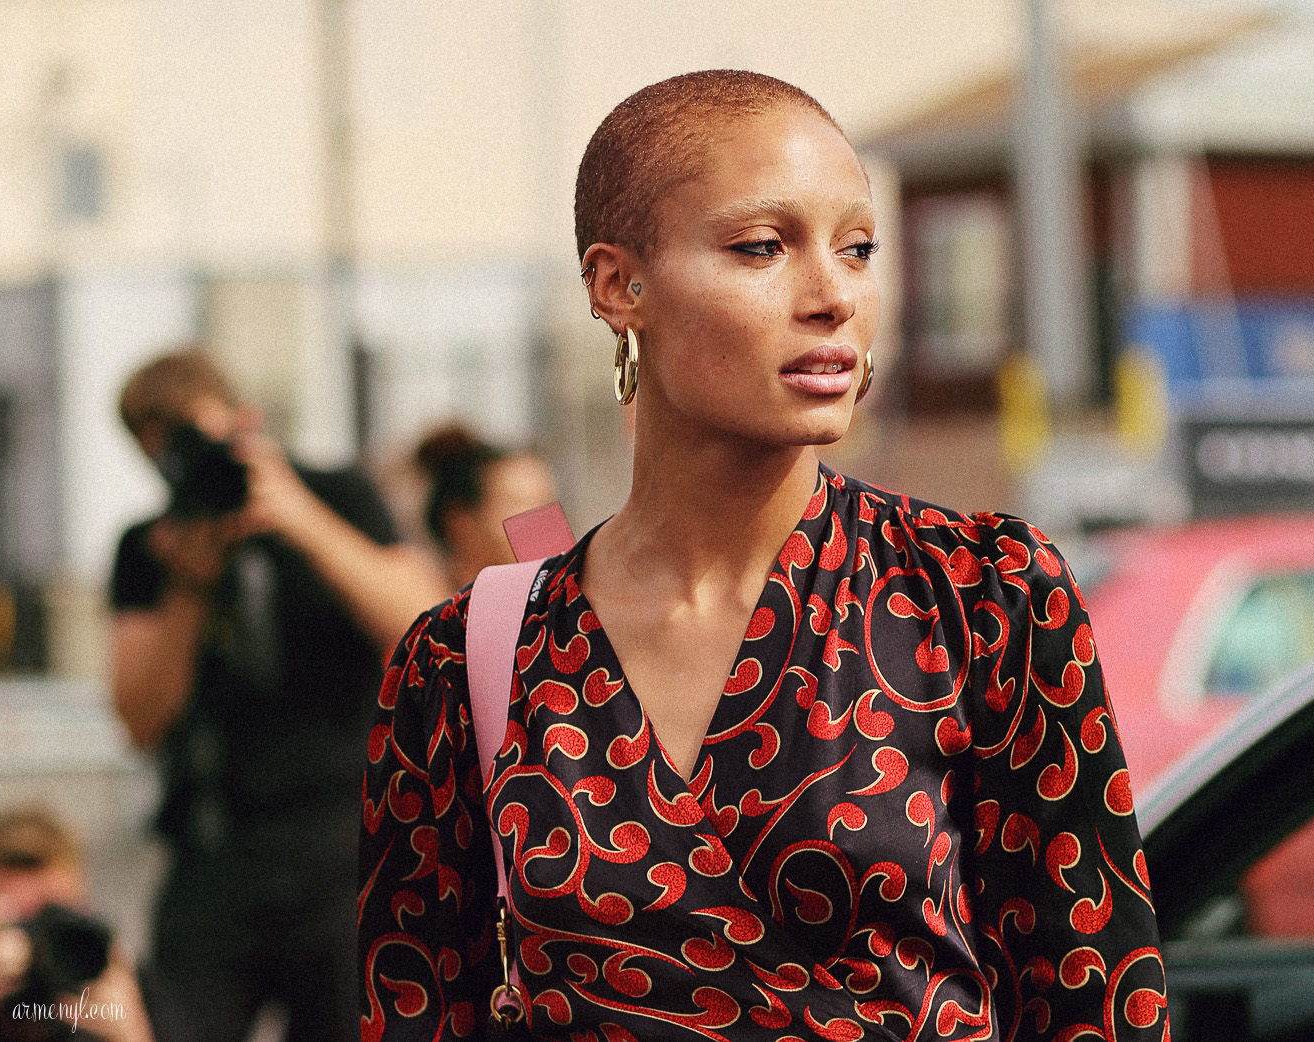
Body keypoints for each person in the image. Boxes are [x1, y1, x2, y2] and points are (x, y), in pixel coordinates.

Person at [359, 71, 1167, 1041]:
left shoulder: (980, 593)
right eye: (760, 247)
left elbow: (1096, 1000)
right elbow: (410, 1009)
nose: (831, 296)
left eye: (857, 248)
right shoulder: (468, 657)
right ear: (618, 285)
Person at [109, 348, 448, 1042]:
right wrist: (188, 591)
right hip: (215, 851)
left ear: (246, 421)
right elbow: (140, 720)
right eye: (166, 456)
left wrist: (296, 516)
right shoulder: (154, 548)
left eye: (200, 440)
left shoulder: (334, 493)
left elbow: (426, 626)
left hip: (343, 848)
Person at [0, 806, 154, 1042]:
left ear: (83, 904)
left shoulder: (121, 981)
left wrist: (131, 1034)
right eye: (20, 921)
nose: (38, 940)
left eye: (53, 915)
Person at [413, 424, 558, 590]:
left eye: (546, 505)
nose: (544, 525)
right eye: (520, 506)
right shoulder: (420, 600)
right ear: (461, 522)